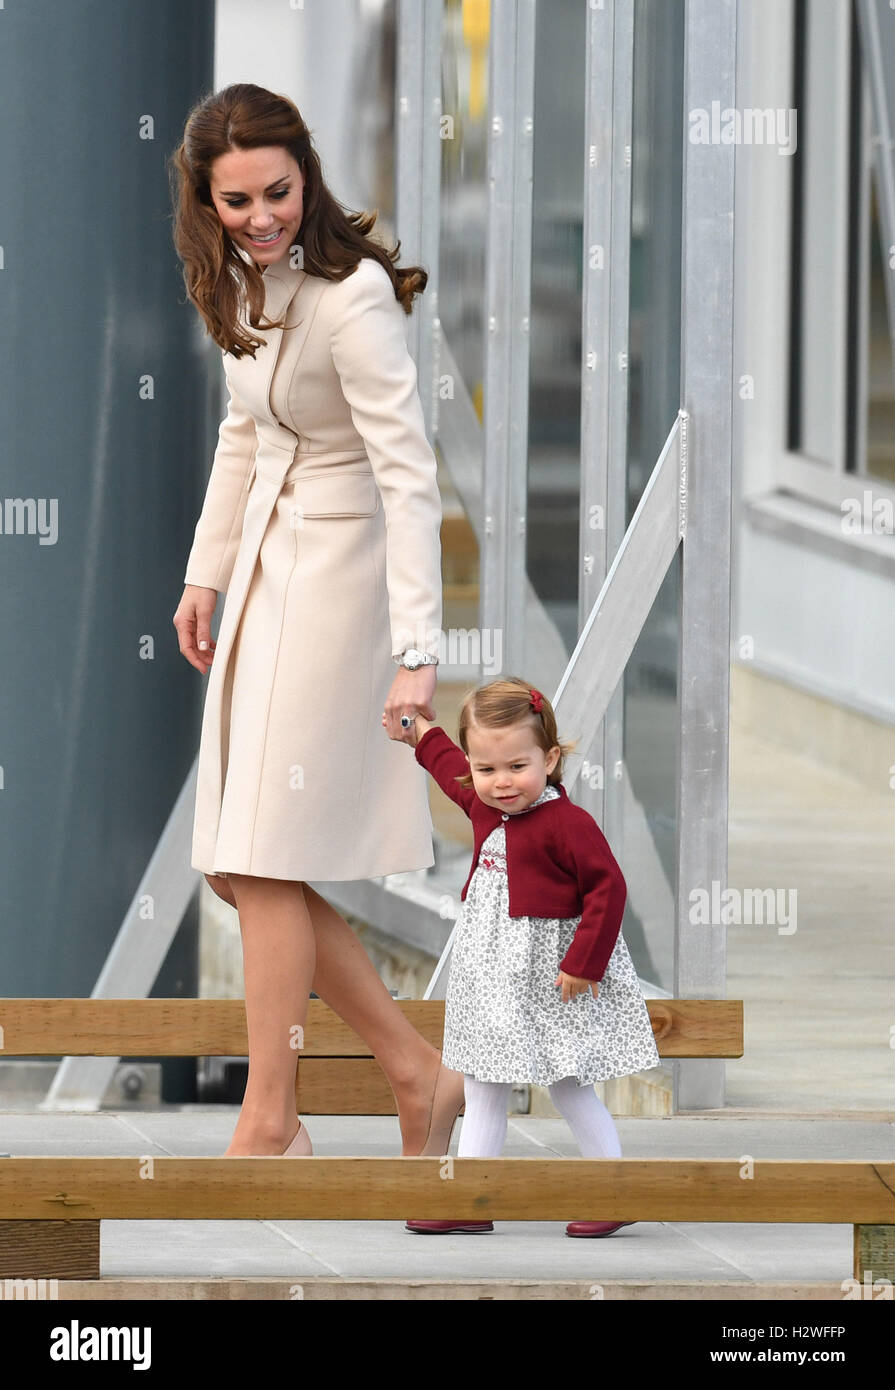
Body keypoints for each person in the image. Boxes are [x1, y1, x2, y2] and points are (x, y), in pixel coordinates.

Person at [169, 83, 464, 1158]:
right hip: (261, 582)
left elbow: (409, 474)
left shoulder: (356, 298)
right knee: (242, 858)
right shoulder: (244, 281)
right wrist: (204, 575)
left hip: (338, 590)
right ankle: (413, 1071)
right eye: (236, 200)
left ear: (308, 172)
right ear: (206, 200)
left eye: (278, 192)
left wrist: (417, 650)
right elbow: (244, 437)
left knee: (259, 849)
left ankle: (271, 1114)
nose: (261, 216)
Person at [401, 677, 661, 1236]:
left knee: (567, 1080)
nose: (501, 783)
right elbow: (448, 767)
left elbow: (608, 889)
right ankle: (472, 1199)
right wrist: (420, 732)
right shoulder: (480, 801)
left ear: (550, 757)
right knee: (484, 1081)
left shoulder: (567, 824)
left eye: (517, 766)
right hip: (493, 975)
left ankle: (615, 1188)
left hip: (552, 976)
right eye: (487, 769)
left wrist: (582, 962)